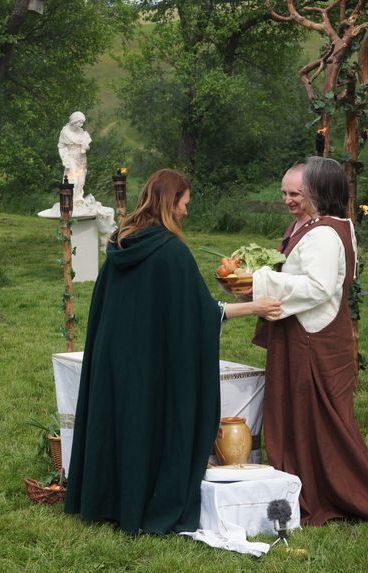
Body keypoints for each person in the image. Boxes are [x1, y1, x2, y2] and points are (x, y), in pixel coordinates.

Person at [64, 168, 282, 535]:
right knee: (150, 426)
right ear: (170, 202)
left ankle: (110, 501)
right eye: (184, 203)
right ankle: (144, 504)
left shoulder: (120, 244)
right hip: (152, 363)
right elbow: (198, 314)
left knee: (122, 424)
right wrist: (254, 307)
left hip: (114, 356)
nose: (186, 211)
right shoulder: (172, 252)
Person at [253, 156, 368, 527]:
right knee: (302, 415)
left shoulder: (324, 234)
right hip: (304, 332)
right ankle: (300, 481)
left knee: (321, 422)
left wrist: (262, 281)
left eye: (297, 193)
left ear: (318, 192)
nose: (289, 200)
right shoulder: (311, 225)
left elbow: (320, 287)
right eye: (285, 193)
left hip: (312, 338)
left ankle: (333, 491)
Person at [58, 111, 92, 205]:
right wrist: (65, 159)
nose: (81, 125)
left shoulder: (81, 132)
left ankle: (78, 198)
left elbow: (86, 146)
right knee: (73, 179)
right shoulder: (65, 132)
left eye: (82, 122)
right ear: (74, 121)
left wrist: (86, 147)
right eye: (80, 122)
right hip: (71, 158)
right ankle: (69, 200)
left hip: (81, 158)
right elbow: (61, 146)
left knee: (81, 180)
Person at [277, 163, 312, 253]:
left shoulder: (316, 231)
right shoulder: (294, 225)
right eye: (284, 193)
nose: (287, 201)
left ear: (312, 192)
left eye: (294, 194)